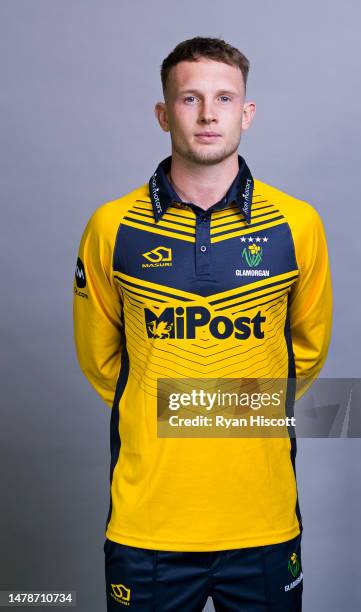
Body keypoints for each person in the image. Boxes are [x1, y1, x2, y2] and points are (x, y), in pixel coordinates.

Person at [73, 36, 332, 611]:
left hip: (262, 517)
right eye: (190, 100)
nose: (208, 115)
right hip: (149, 525)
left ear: (247, 113)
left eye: (224, 98)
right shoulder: (111, 227)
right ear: (164, 113)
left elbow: (305, 353)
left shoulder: (298, 224)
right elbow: (102, 362)